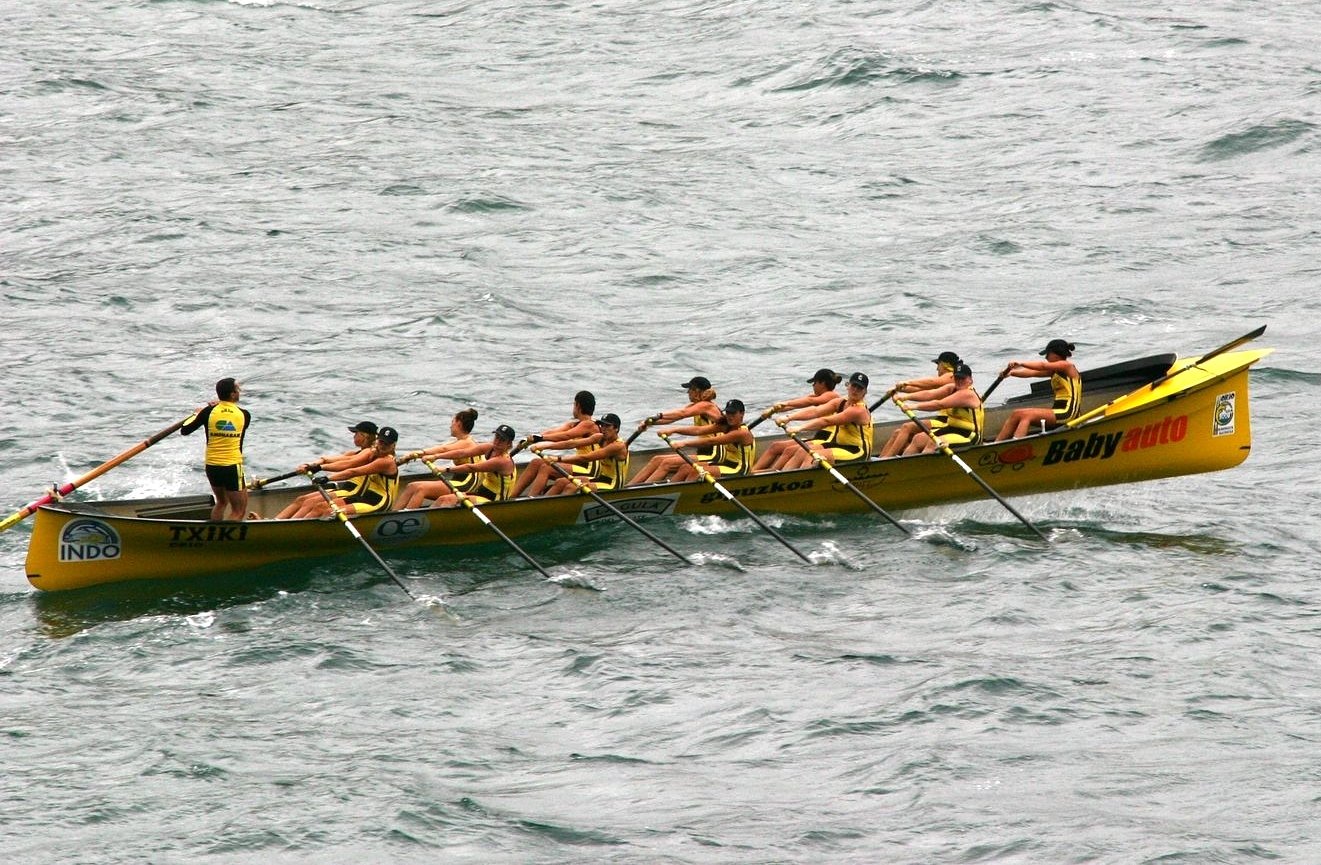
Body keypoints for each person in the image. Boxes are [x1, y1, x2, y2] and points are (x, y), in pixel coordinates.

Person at [277, 427, 401, 518]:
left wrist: (327, 479)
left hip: (377, 502)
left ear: (393, 445)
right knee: (318, 506)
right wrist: (317, 467)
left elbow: (353, 471)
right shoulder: (371, 453)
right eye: (381, 442)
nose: (382, 446)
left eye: (387, 444)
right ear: (377, 440)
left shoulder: (386, 462)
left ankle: (296, 531)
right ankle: (284, 525)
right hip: (361, 496)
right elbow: (348, 463)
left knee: (327, 511)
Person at [627, 376, 723, 485]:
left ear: (697, 391)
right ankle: (628, 488)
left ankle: (640, 492)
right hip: (703, 451)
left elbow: (681, 413)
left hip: (714, 453)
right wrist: (649, 423)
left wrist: (658, 415)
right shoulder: (696, 406)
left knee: (667, 463)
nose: (687, 393)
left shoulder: (706, 406)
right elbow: (674, 418)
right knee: (657, 459)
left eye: (689, 390)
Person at [180, 377, 251, 521]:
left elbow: (185, 430)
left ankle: (213, 534)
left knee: (222, 502)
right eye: (238, 389)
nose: (240, 392)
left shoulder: (207, 412)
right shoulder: (244, 415)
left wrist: (196, 414)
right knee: (238, 511)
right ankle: (226, 542)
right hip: (231, 467)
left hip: (212, 466)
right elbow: (229, 414)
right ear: (232, 394)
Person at [510, 391, 601, 498]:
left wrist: (541, 440)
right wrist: (533, 438)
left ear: (578, 405)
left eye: (573, 404)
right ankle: (510, 497)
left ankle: (531, 500)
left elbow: (566, 436)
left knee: (546, 468)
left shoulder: (589, 424)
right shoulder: (574, 424)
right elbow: (554, 432)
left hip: (590, 470)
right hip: (579, 465)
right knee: (536, 462)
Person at [751, 368, 844, 472]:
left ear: (822, 383)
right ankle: (752, 472)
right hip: (819, 436)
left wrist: (787, 414)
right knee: (775, 446)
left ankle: (771, 473)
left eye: (814, 383)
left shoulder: (832, 396)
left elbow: (810, 401)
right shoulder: (818, 396)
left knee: (789, 450)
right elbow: (795, 404)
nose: (813, 386)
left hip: (828, 438)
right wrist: (773, 410)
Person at [779, 372, 875, 469]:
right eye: (854, 386)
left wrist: (800, 428)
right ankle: (782, 478)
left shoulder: (858, 410)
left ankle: (802, 480)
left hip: (858, 451)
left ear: (865, 392)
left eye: (860, 388)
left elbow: (826, 421)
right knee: (803, 451)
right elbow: (815, 411)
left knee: (811, 455)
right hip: (839, 445)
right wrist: (789, 418)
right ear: (848, 385)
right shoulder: (840, 402)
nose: (855, 390)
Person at [993, 338, 1082, 441]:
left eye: (1047, 354)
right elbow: (1031, 373)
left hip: (1068, 413)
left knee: (1027, 415)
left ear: (1055, 354)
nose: (1046, 357)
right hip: (1058, 412)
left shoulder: (1068, 366)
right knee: (1016, 414)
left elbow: (1042, 365)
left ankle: (1016, 443)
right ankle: (996, 444)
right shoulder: (1054, 371)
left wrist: (1020, 363)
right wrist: (1011, 373)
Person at [878, 351, 962, 458]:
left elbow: (931, 382)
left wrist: (906, 382)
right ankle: (881, 459)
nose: (937, 369)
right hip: (939, 419)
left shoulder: (951, 376)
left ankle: (886, 461)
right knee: (897, 433)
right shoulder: (943, 381)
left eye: (938, 365)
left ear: (945, 365)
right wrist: (898, 389)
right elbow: (920, 388)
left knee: (906, 427)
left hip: (946, 421)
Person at [650, 400, 756, 483]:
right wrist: (673, 430)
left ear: (742, 414)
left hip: (739, 470)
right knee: (686, 467)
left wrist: (684, 443)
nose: (729, 416)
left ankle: (681, 496)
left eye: (733, 413)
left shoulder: (742, 433)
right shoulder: (726, 426)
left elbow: (711, 441)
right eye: (728, 413)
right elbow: (698, 430)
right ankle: (669, 491)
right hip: (725, 464)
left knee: (696, 471)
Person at [894, 363, 985, 455]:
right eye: (957, 378)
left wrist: (914, 406)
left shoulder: (968, 394)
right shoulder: (951, 388)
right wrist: (905, 397)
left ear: (970, 380)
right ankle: (903, 467)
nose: (959, 381)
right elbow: (930, 394)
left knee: (933, 443)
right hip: (951, 429)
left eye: (963, 378)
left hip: (969, 436)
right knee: (918, 439)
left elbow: (939, 404)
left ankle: (922, 467)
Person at [423, 424, 519, 508]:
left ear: (509, 444)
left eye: (502, 440)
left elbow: (471, 467)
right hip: (481, 493)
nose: (497, 441)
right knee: (443, 499)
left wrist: (445, 469)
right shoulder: (489, 448)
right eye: (496, 437)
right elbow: (462, 453)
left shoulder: (502, 461)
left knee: (448, 500)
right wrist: (436, 456)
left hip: (496, 501)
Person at [541, 414, 631, 496]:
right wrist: (544, 446)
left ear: (616, 428)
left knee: (571, 487)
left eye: (607, 426)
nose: (603, 428)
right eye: (602, 425)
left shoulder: (617, 446)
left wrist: (557, 459)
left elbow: (586, 458)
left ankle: (559, 511)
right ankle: (542, 505)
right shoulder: (599, 438)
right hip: (601, 478)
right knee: (561, 482)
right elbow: (572, 444)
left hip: (613, 485)